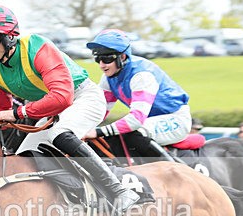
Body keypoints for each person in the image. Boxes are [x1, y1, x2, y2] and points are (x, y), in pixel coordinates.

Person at [0, 4, 138, 216]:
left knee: (60, 134)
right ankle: (76, 198)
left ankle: (119, 190)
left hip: (82, 97)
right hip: (50, 111)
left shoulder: (37, 47)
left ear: (10, 37)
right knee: (25, 158)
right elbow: (0, 109)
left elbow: (62, 96)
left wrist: (17, 113)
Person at [83, 28, 195, 158]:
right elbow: (99, 111)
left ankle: (172, 169)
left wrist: (98, 131)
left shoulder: (142, 75)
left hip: (175, 119)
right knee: (110, 137)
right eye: (98, 59)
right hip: (149, 120)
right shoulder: (108, 77)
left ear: (122, 57)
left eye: (107, 59)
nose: (102, 65)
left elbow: (136, 120)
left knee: (134, 134)